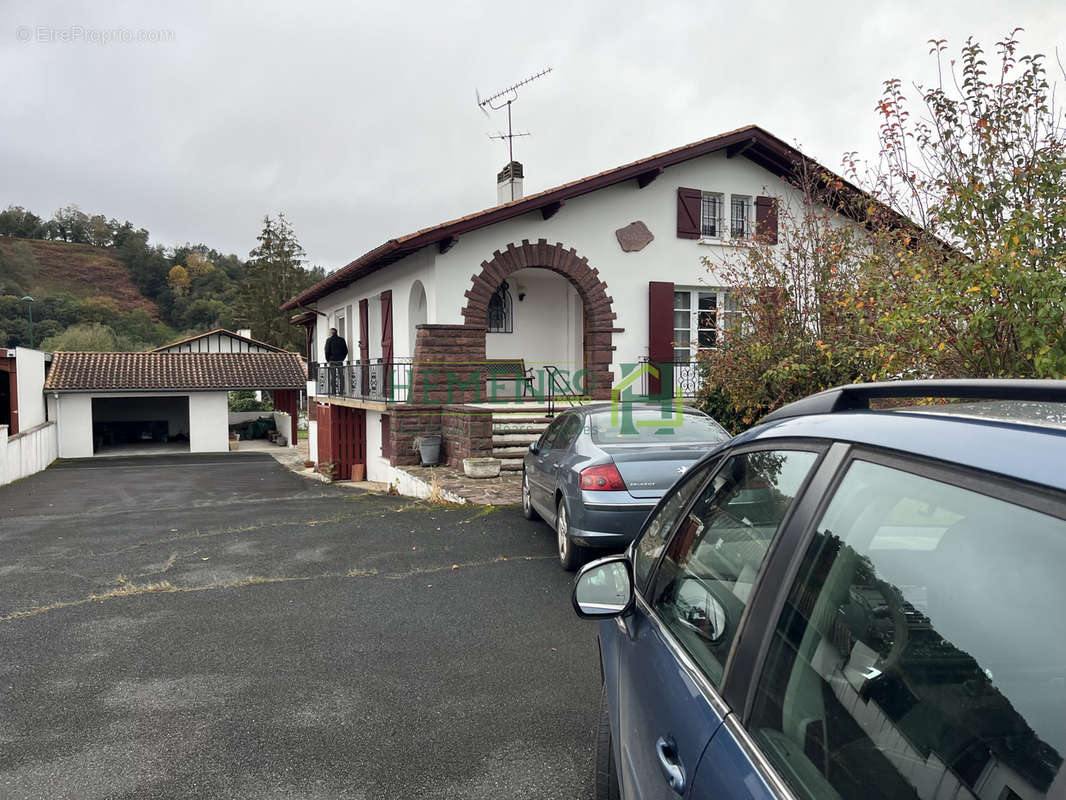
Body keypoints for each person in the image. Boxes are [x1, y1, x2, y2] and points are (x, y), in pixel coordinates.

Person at [324, 327, 348, 394]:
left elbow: (326, 351)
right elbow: (346, 351)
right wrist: (342, 358)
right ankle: (341, 391)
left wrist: (328, 360)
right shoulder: (342, 340)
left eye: (329, 332)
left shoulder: (329, 340)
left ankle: (333, 392)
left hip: (332, 361)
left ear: (331, 333)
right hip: (340, 361)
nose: (329, 333)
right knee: (341, 376)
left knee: (333, 377)